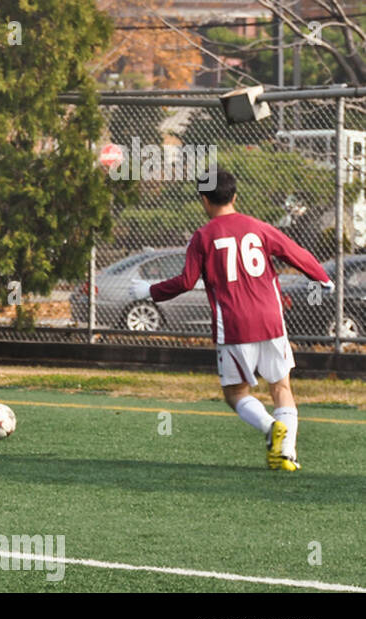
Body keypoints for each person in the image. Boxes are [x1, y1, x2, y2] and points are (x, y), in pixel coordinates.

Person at [134, 169, 331, 471]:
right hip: (271, 321)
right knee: (281, 387)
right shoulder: (259, 227)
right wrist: (322, 277)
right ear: (234, 196)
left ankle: (270, 428)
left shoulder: (203, 236)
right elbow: (295, 253)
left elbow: (187, 282)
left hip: (235, 324)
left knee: (236, 393)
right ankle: (287, 454)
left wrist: (150, 290)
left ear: (203, 199)